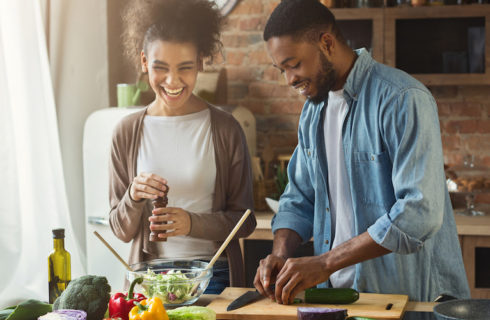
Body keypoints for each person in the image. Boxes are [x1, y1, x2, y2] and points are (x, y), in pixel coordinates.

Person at [254, 0, 470, 303]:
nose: (289, 79)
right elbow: (299, 198)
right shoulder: (313, 112)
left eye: (294, 64)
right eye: (282, 69)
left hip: (410, 300)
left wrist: (325, 262)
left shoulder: (402, 99)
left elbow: (418, 213)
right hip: (340, 297)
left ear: (326, 43)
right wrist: (279, 254)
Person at [108, 0, 256, 293]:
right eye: (160, 68)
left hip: (213, 276)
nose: (173, 81)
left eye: (185, 68)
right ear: (143, 62)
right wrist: (133, 198)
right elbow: (120, 229)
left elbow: (246, 221)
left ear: (201, 62)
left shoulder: (226, 129)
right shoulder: (126, 132)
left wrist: (191, 223)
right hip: (149, 279)